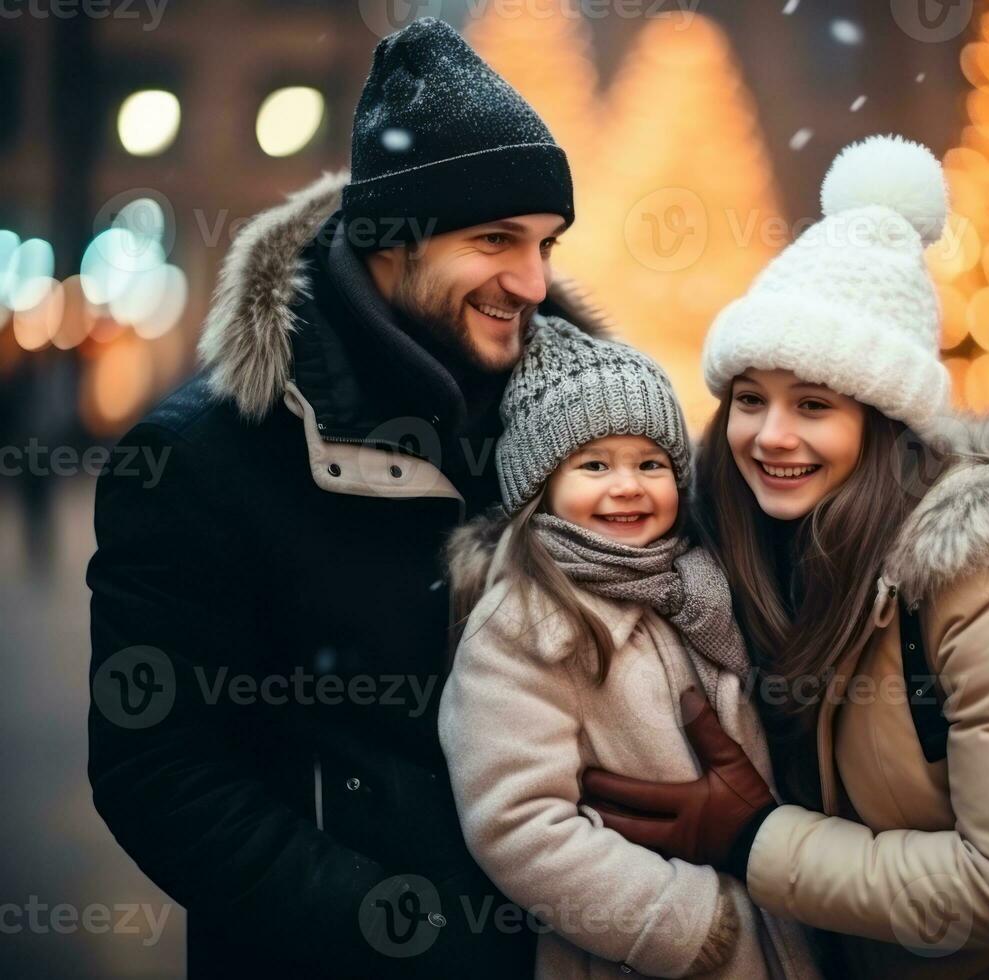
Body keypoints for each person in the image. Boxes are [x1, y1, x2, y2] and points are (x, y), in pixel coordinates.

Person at [580, 136, 989, 978]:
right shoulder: (763, 560)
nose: (770, 435)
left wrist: (755, 840)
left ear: (881, 425)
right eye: (750, 399)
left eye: (812, 403)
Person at [86, 19, 604, 978]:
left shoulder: (584, 434)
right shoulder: (201, 461)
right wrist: (409, 934)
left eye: (545, 243)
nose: (533, 282)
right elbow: (160, 775)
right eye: (495, 239)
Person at [438, 318, 819, 978]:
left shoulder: (696, 585)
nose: (627, 486)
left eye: (651, 464)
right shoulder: (524, 624)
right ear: (540, 487)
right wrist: (678, 922)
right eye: (593, 465)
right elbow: (517, 824)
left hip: (775, 930)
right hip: (652, 952)